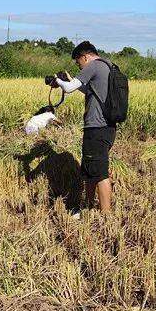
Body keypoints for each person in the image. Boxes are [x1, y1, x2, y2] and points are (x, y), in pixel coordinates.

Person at [49, 41, 117, 213]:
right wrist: (69, 80)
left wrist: (57, 81)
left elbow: (70, 89)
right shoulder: (108, 66)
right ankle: (88, 206)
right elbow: (89, 91)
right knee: (90, 169)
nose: (79, 66)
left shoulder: (93, 65)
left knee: (100, 173)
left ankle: (106, 216)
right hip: (106, 128)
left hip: (97, 127)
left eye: (78, 62)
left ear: (85, 57)